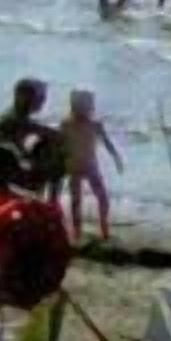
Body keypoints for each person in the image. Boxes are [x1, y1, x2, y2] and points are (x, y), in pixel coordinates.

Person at [58, 88, 123, 240]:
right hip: (73, 166)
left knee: (103, 198)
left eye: (88, 105)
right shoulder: (66, 124)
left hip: (90, 166)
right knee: (76, 201)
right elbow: (59, 145)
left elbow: (107, 142)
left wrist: (116, 158)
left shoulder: (95, 124)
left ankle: (104, 227)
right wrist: (58, 165)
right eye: (82, 105)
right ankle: (76, 231)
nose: (86, 109)